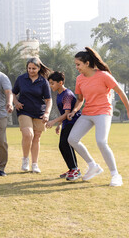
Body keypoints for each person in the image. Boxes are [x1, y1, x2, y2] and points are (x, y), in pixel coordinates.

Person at [67, 47, 129, 187]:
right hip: (87, 113)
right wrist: (74, 110)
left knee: (101, 142)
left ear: (87, 63)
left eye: (78, 64)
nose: (76, 67)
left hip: (103, 112)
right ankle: (92, 165)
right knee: (72, 139)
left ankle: (115, 175)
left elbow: (120, 92)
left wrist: (128, 109)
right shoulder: (79, 79)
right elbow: (80, 99)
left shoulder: (104, 75)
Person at [12, 57, 52, 173]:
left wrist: (47, 113)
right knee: (28, 134)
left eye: (34, 68)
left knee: (36, 137)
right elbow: (13, 93)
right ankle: (25, 159)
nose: (31, 70)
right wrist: (16, 102)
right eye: (29, 68)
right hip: (24, 111)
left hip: (39, 112)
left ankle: (35, 164)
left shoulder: (43, 81)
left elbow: (49, 100)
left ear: (39, 68)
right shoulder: (21, 79)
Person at [46, 71, 82, 181]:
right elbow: (64, 113)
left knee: (64, 144)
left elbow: (67, 114)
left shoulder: (67, 95)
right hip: (66, 123)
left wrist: (53, 122)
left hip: (73, 122)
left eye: (52, 83)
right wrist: (59, 125)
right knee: (63, 145)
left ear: (60, 82)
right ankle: (72, 169)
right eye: (50, 83)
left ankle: (74, 169)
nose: (50, 85)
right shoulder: (60, 94)